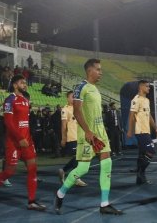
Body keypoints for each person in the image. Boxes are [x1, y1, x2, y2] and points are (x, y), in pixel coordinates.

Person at [54, 59, 122, 215]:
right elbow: (77, 111)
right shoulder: (80, 87)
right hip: (87, 134)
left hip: (100, 133)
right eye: (98, 69)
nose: (101, 72)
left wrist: (100, 130)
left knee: (107, 164)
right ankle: (60, 193)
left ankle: (104, 204)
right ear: (89, 71)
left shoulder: (95, 89)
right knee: (82, 169)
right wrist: (87, 131)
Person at [0, 74, 46, 212]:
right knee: (9, 172)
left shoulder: (25, 100)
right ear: (14, 85)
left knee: (32, 168)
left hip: (27, 141)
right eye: (22, 82)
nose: (25, 84)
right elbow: (8, 122)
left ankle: (31, 201)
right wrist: (20, 138)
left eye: (25, 82)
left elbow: (25, 123)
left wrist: (28, 138)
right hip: (14, 142)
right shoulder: (9, 100)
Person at [127, 80, 157, 185]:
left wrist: (155, 128)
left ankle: (140, 178)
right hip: (140, 131)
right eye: (147, 86)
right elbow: (131, 116)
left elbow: (149, 116)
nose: (149, 88)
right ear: (141, 87)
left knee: (142, 154)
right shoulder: (136, 100)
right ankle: (140, 172)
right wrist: (130, 130)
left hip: (146, 131)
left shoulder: (146, 100)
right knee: (151, 152)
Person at [58, 91, 87, 187]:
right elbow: (63, 125)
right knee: (78, 158)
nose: (73, 99)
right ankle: (72, 176)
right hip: (72, 137)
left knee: (81, 158)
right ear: (67, 98)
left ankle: (65, 171)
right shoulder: (65, 109)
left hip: (81, 137)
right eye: (72, 97)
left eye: (75, 97)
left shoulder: (79, 108)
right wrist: (63, 138)